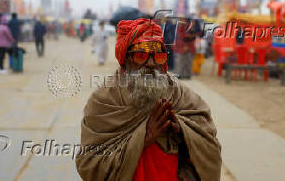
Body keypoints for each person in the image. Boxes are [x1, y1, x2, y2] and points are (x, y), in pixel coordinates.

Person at [76, 18, 222, 181]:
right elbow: (89, 164)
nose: (151, 63)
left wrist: (182, 129)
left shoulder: (180, 94)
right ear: (126, 59)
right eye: (141, 55)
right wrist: (142, 139)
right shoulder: (104, 100)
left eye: (158, 55)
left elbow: (210, 144)